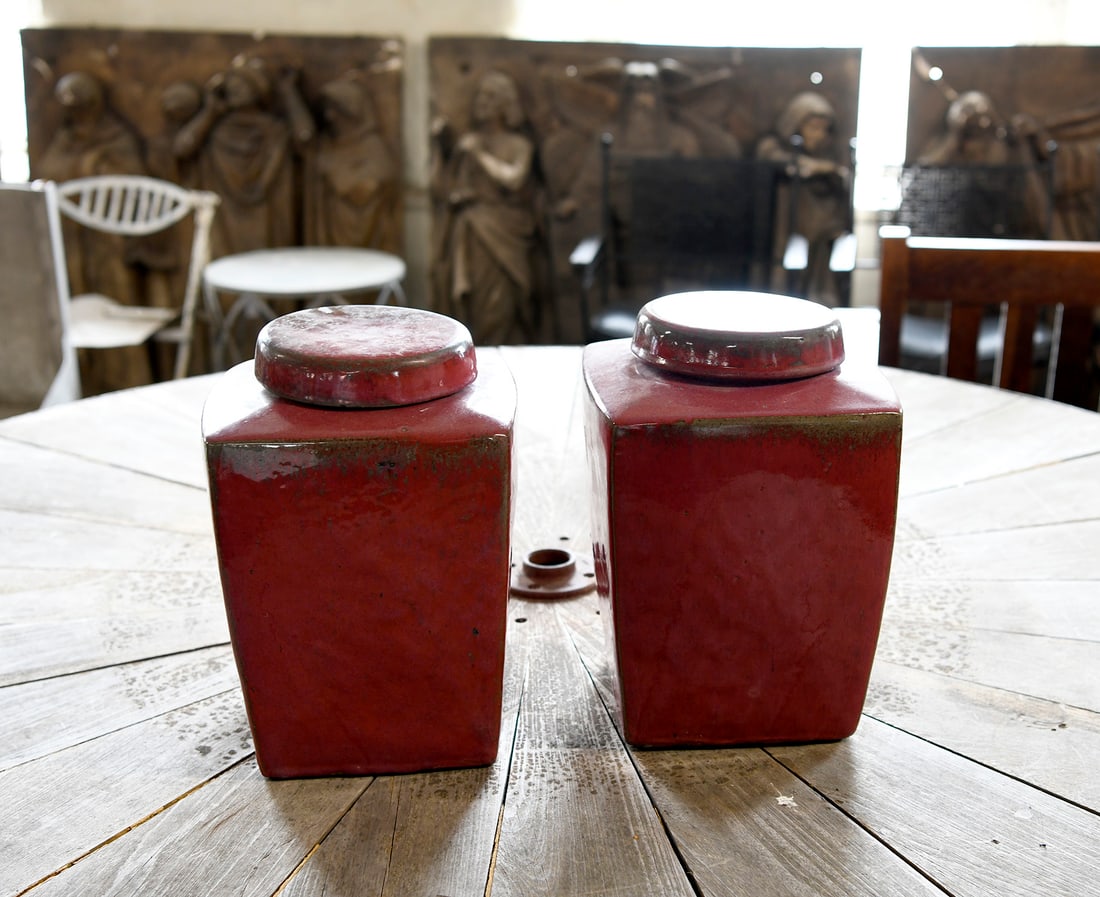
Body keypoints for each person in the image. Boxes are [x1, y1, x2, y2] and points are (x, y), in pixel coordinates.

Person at [432, 70, 538, 345]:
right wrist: (439, 149)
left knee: (499, 304)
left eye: (491, 97)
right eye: (480, 95)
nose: (482, 102)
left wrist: (479, 153)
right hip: (473, 232)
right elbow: (444, 188)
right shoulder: (466, 144)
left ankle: (500, 356)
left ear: (506, 104)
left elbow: (513, 180)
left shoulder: (519, 144)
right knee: (475, 303)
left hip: (505, 230)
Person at [174, 56, 313, 256]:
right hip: (226, 222)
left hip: (270, 222)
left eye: (241, 83)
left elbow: (306, 136)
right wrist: (209, 111)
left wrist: (289, 92)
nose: (234, 89)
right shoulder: (217, 132)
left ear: (258, 89)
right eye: (231, 85)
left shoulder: (275, 132)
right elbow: (181, 149)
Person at [756, 91, 851, 304]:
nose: (819, 135)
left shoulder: (828, 155)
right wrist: (818, 167)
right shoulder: (773, 146)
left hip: (819, 231)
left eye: (823, 129)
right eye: (813, 128)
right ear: (796, 125)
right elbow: (782, 162)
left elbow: (840, 177)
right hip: (784, 229)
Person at [303, 71, 400, 250]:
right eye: (327, 109)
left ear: (352, 112)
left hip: (360, 235)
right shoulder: (328, 144)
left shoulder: (372, 146)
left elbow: (368, 187)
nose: (329, 116)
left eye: (335, 110)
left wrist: (333, 172)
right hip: (326, 235)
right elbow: (304, 139)